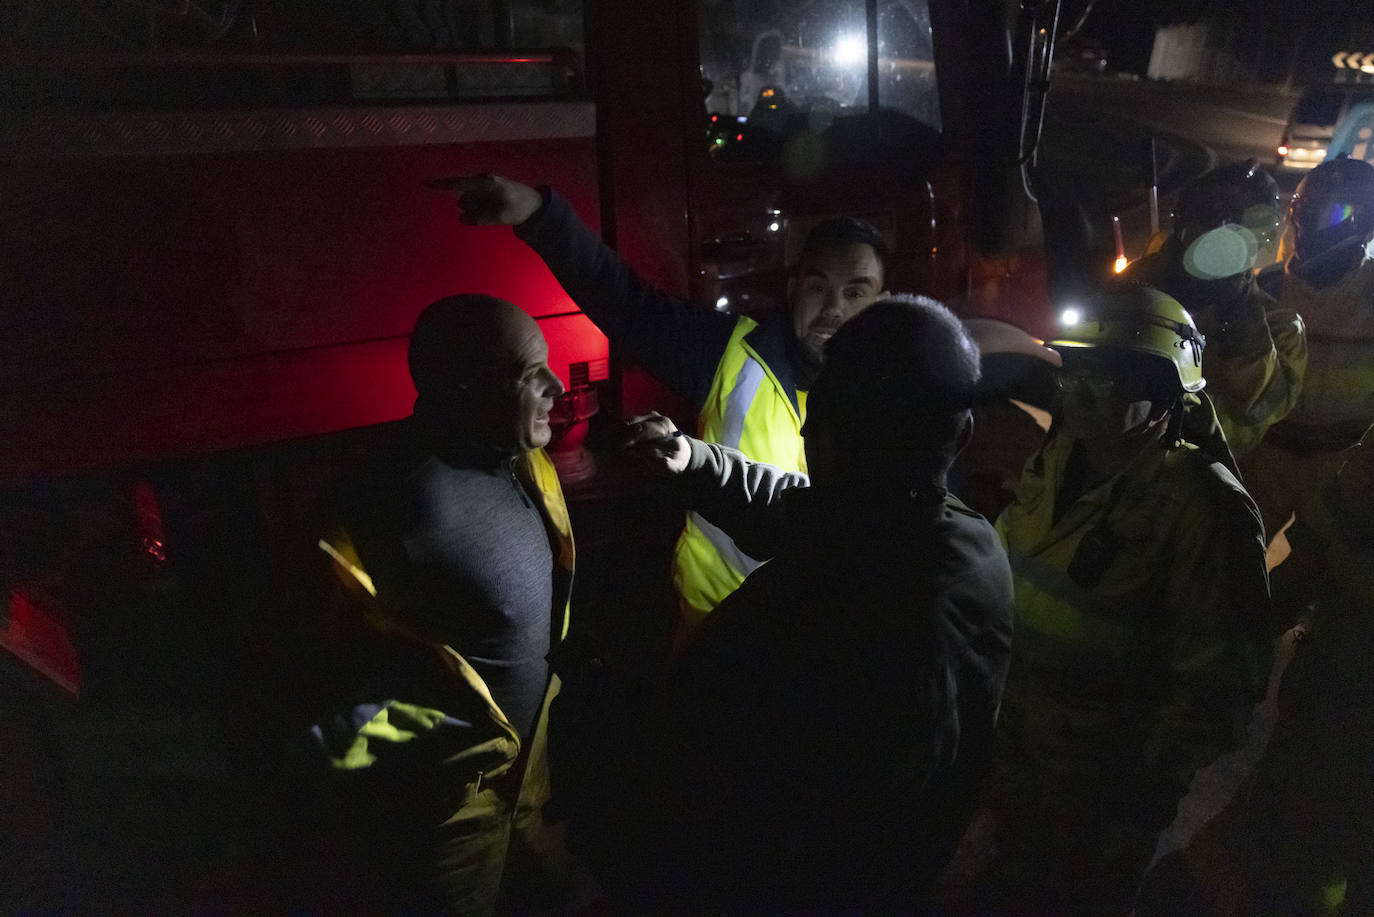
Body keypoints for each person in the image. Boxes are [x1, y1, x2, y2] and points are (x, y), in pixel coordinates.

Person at [623, 296, 1016, 912]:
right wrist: (697, 460)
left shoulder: (810, 621)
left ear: (818, 432)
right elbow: (803, 509)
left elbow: (730, 807)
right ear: (963, 434)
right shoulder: (966, 540)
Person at [430, 173, 888, 628]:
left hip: (829, 630)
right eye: (818, 286)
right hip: (721, 620)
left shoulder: (904, 392)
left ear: (882, 303)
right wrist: (539, 215)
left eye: (854, 292)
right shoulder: (731, 352)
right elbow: (629, 304)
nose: (833, 308)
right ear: (793, 290)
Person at [977, 284, 1273, 914]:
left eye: (1108, 378)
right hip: (1015, 767)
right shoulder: (1055, 462)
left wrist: (1140, 790)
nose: (1078, 390)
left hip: (1099, 804)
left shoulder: (1205, 509)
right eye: (1076, 370)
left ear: (1166, 392)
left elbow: (1220, 686)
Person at [304, 295, 594, 914]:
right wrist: (410, 782)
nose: (552, 384)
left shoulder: (522, 459)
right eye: (527, 373)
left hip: (532, 784)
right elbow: (327, 674)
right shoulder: (389, 505)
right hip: (451, 806)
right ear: (464, 389)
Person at [1126, 160, 1307, 458]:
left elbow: (1262, 407)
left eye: (1237, 228)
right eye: (1209, 217)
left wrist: (1239, 314)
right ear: (1183, 222)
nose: (1219, 235)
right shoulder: (1135, 287)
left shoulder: (1279, 326)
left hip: (1197, 481)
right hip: (1119, 467)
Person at [1244, 154, 1374, 540]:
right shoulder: (1263, 288)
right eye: (1301, 206)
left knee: (1318, 581)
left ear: (1364, 221)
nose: (1304, 221)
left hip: (1342, 465)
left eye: (1327, 210)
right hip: (1264, 457)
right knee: (1227, 569)